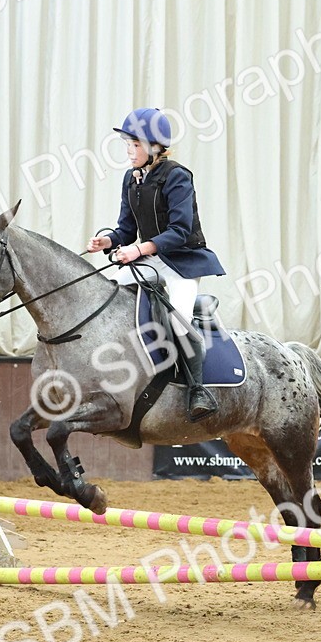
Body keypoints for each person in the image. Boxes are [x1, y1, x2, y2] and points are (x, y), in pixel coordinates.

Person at [87, 107, 225, 422]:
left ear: (155, 147)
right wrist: (107, 241)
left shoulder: (177, 176)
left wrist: (137, 250)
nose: (129, 151)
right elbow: (125, 230)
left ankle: (197, 390)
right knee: (106, 296)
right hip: (150, 259)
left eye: (135, 144)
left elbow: (179, 231)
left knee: (179, 320)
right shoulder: (130, 178)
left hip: (182, 262)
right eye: (127, 144)